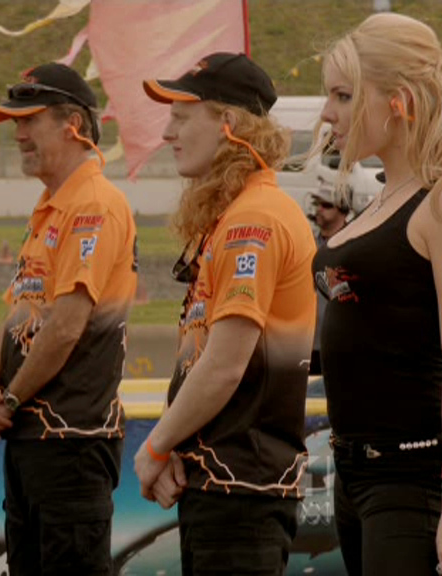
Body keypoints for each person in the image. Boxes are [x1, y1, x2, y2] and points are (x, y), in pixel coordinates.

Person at [312, 13, 442, 576]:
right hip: (354, 475)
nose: (327, 113)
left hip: (413, 481)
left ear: (400, 102)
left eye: (344, 95)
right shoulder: (384, 199)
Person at [134, 52, 317, 575]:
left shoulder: (252, 220)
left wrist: (156, 447)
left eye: (181, 116)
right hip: (224, 485)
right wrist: (175, 446)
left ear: (228, 123)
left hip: (241, 491)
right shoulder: (239, 214)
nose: (167, 132)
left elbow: (223, 366)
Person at [0, 62, 137, 575]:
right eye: (15, 122)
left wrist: (9, 398)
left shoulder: (95, 204)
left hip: (72, 442)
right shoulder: (51, 206)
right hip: (32, 441)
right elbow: (18, 310)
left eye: (29, 120)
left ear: (73, 125)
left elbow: (67, 325)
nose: (18, 134)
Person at [309, 176, 350, 375]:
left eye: (326, 205)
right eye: (317, 204)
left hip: (341, 347)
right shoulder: (308, 243)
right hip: (309, 344)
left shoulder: (353, 245)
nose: (319, 210)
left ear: (342, 209)